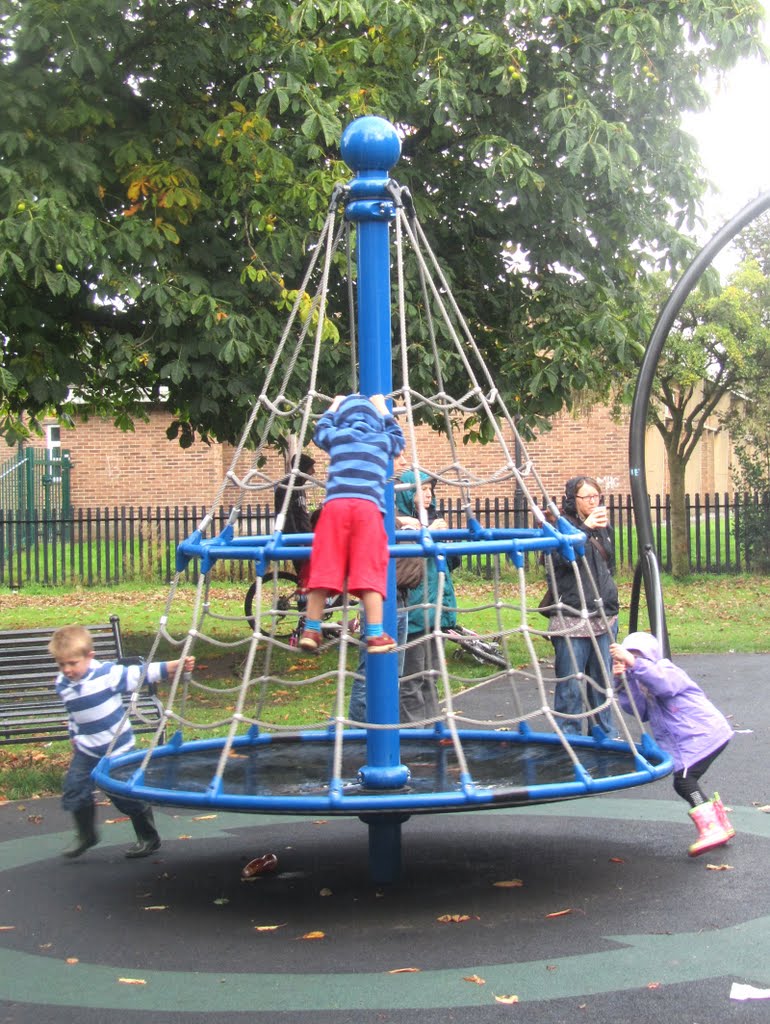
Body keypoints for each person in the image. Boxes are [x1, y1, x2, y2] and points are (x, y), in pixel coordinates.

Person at [48, 625, 195, 860]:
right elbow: (73, 714)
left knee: (125, 797)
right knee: (75, 790)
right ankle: (87, 835)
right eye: (61, 664)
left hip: (117, 750)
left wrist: (170, 667)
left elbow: (138, 674)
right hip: (86, 751)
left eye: (72, 663)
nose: (67, 670)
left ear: (89, 657)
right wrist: (74, 736)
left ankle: (149, 836)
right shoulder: (62, 684)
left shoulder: (106, 674)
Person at [610, 631, 735, 857]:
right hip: (691, 740)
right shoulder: (640, 679)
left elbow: (663, 685)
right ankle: (719, 822)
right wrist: (623, 679)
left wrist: (634, 664)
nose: (633, 661)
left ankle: (713, 827)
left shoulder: (667, 671)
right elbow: (638, 711)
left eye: (638, 656)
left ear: (650, 656)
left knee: (685, 781)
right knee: (685, 779)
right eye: (629, 656)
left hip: (704, 734)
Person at [298, 393, 405, 654]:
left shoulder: (338, 437)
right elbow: (398, 441)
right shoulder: (382, 440)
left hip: (334, 509)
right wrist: (382, 408)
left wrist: (334, 405)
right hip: (367, 510)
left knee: (323, 567)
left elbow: (320, 430)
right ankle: (376, 635)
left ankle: (311, 628)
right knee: (370, 570)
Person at [546, 475, 618, 735]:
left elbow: (608, 565)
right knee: (572, 686)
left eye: (596, 496)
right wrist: (585, 529)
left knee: (602, 682)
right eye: (586, 497)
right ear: (571, 500)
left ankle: (605, 735)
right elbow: (562, 560)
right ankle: (570, 739)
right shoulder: (559, 527)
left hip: (603, 614)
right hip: (572, 616)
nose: (593, 501)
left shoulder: (604, 528)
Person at [395, 470, 458, 723]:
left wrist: (447, 540)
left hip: (436, 611)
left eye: (431, 490)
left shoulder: (434, 520)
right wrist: (426, 533)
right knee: (412, 679)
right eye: (423, 489)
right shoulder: (399, 523)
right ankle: (412, 735)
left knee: (431, 677)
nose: (429, 494)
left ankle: (432, 728)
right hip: (414, 612)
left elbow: (451, 564)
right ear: (409, 493)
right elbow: (404, 564)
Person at [274, 452, 316, 577]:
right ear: (302, 469)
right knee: (305, 574)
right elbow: (287, 515)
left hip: (304, 536)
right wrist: (296, 539)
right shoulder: (286, 487)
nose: (312, 472)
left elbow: (301, 513)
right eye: (310, 468)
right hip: (296, 538)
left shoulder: (300, 488)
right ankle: (304, 595)